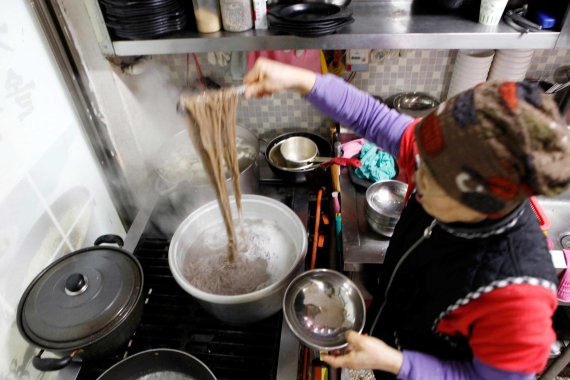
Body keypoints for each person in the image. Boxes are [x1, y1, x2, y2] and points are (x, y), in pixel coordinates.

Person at [243, 57, 570, 380]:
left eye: (430, 175)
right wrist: (303, 80)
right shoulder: (445, 163)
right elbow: (371, 117)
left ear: (479, 201)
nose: (413, 170)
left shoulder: (518, 299)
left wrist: (398, 364)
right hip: (397, 334)